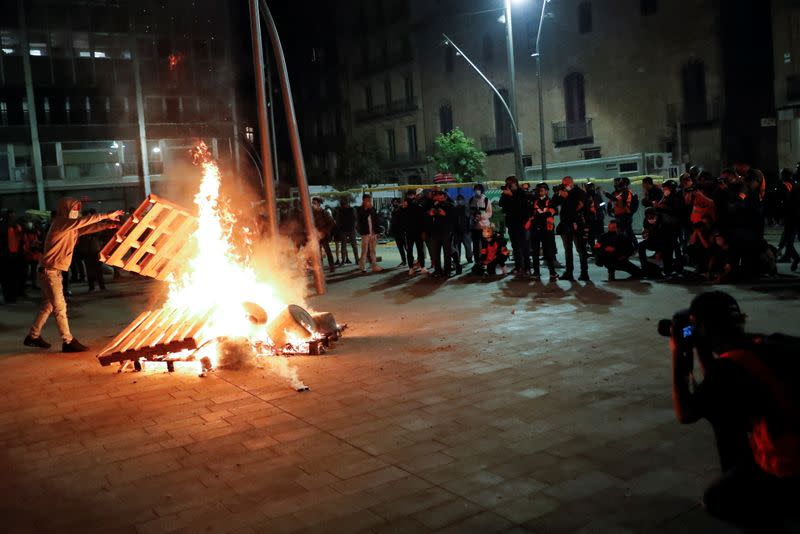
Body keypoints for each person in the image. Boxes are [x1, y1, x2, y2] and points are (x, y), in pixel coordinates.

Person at [667, 291, 800, 530]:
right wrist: (704, 350)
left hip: (790, 471)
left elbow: (685, 413)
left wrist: (678, 353)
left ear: (704, 328)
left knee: (718, 499)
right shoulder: (770, 343)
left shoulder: (728, 371)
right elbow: (721, 388)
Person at [24, 198, 122, 352]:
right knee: (60, 307)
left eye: (78, 208)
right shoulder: (61, 223)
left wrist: (107, 225)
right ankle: (68, 341)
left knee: (49, 305)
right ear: (65, 209)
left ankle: (33, 336)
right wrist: (106, 215)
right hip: (49, 272)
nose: (77, 211)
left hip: (49, 271)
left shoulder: (69, 227)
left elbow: (85, 229)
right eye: (74, 208)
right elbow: (83, 222)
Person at [553, 176, 590, 281]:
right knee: (567, 250)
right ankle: (569, 272)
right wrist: (558, 193)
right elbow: (554, 203)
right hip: (565, 225)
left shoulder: (579, 192)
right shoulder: (562, 193)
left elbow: (578, 206)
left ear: (571, 182)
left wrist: (567, 196)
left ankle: (584, 273)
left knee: (581, 249)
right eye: (563, 183)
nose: (565, 185)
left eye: (566, 183)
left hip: (577, 224)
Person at [499, 175, 532, 276]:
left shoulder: (521, 192)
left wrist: (511, 196)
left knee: (524, 246)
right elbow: (501, 204)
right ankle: (518, 266)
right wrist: (506, 195)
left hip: (521, 223)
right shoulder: (505, 194)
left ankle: (527, 267)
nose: (508, 185)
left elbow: (523, 206)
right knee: (515, 246)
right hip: (511, 223)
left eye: (510, 183)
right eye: (507, 183)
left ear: (515, 183)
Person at [527, 182, 558, 280]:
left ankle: (552, 273)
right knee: (535, 252)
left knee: (548, 252)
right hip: (535, 230)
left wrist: (539, 215)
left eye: (543, 189)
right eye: (539, 189)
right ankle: (536, 272)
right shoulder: (533, 201)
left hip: (546, 230)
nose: (540, 191)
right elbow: (530, 213)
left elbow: (553, 212)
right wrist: (541, 215)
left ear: (547, 191)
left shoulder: (551, 201)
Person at [638, 207, 674, 277]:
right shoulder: (646, 220)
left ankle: (668, 270)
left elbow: (668, 237)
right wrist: (645, 233)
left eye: (652, 217)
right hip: (653, 239)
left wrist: (658, 251)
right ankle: (644, 267)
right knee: (640, 246)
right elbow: (646, 229)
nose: (650, 218)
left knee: (667, 249)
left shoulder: (664, 221)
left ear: (656, 215)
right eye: (648, 217)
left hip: (666, 240)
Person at [427, 189, 455, 277]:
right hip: (436, 232)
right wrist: (433, 211)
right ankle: (437, 270)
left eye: (441, 198)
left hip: (446, 232)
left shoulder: (450, 205)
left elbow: (449, 216)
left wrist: (442, 213)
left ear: (445, 197)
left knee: (447, 252)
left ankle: (447, 271)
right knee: (436, 252)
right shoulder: (434, 205)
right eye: (438, 198)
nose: (439, 200)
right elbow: (430, 213)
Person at [356, 194, 383, 273]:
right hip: (365, 233)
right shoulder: (360, 210)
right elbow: (362, 218)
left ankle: (374, 265)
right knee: (364, 250)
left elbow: (376, 220)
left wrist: (377, 232)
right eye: (368, 200)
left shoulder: (373, 209)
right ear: (363, 200)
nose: (369, 202)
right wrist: (368, 209)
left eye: (370, 200)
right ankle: (362, 266)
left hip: (373, 233)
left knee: (373, 250)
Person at [311, 198, 336, 273]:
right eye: (312, 203)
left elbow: (332, 223)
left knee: (327, 251)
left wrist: (324, 231)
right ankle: (320, 267)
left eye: (314, 203)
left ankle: (332, 266)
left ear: (319, 204)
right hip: (316, 236)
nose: (313, 205)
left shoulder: (324, 212)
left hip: (324, 236)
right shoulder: (312, 213)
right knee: (317, 252)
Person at [468, 183, 493, 259]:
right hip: (475, 227)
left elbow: (490, 212)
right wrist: (473, 217)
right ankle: (477, 260)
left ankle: (485, 259)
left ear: (482, 190)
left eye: (479, 189)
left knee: (485, 244)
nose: (477, 191)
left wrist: (481, 216)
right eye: (476, 189)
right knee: (475, 245)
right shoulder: (471, 200)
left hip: (485, 226)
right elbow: (468, 212)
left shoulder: (486, 200)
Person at [452, 194, 473, 272]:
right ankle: (458, 260)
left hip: (465, 230)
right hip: (457, 231)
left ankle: (469, 258)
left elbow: (469, 219)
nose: (459, 201)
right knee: (457, 247)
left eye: (461, 199)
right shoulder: (454, 208)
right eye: (458, 200)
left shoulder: (466, 208)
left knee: (467, 245)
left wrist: (469, 228)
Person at [335, 197, 358, 265]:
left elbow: (355, 219)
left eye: (344, 204)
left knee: (349, 246)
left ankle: (355, 260)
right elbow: (338, 220)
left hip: (349, 229)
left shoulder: (350, 210)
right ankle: (349, 260)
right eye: (343, 204)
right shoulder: (344, 210)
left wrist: (354, 227)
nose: (344, 205)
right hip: (346, 230)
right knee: (348, 246)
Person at [389, 197, 408, 267]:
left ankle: (410, 261)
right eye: (393, 202)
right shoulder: (393, 210)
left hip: (402, 231)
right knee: (400, 247)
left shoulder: (402, 209)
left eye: (396, 202)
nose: (394, 203)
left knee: (406, 247)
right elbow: (392, 221)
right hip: (396, 231)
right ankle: (404, 261)